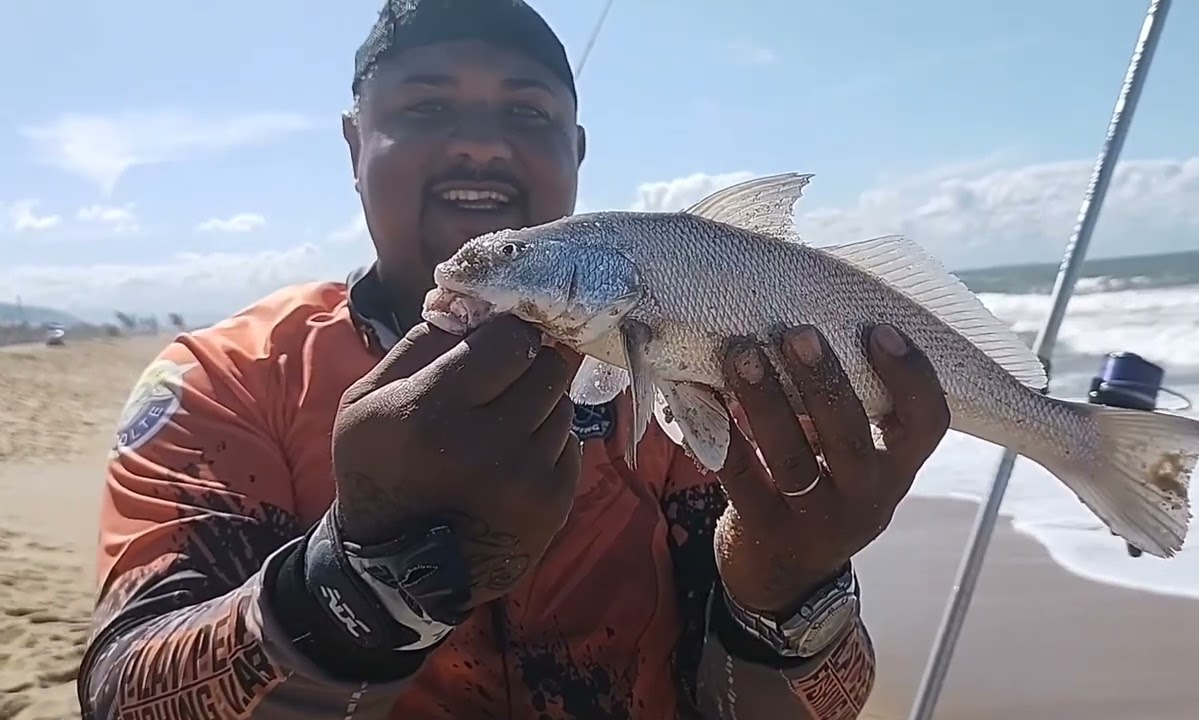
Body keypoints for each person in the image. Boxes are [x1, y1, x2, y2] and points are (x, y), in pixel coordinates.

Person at [77, 1, 951, 718]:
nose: (483, 146)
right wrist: (357, 574)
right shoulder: (227, 384)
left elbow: (781, 706)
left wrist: (791, 593)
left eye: (528, 114)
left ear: (577, 152)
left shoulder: (690, 376)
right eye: (425, 108)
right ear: (354, 146)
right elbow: (121, 693)